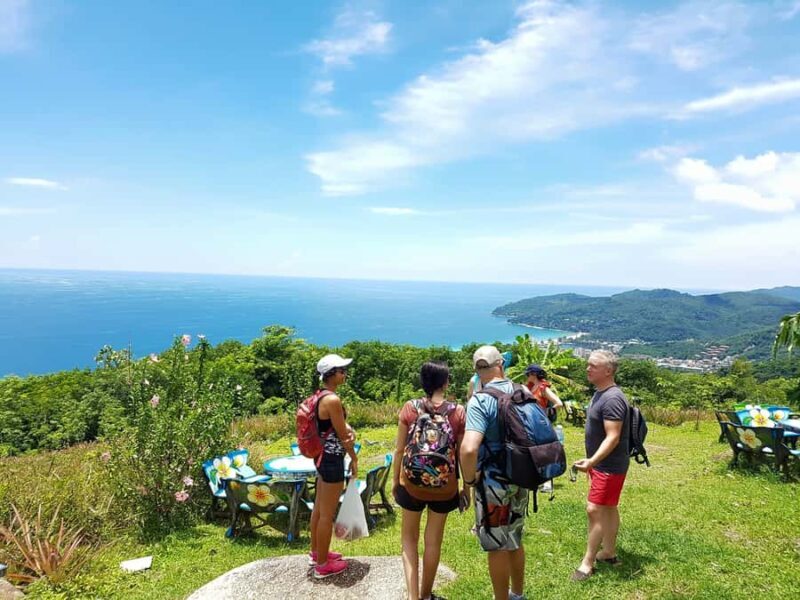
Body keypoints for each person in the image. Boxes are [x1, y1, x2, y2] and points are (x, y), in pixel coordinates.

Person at [392, 361, 469, 600]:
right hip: (445, 488)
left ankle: (413, 596)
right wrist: (466, 488)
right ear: (445, 383)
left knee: (408, 540)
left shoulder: (410, 408)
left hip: (411, 484)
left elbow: (399, 450)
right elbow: (461, 453)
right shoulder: (457, 412)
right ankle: (426, 595)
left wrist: (396, 481)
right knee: (433, 541)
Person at [460, 346, 529, 600]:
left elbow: (468, 449)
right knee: (515, 537)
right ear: (501, 364)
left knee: (496, 545)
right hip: (521, 476)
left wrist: (469, 479)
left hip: (492, 484)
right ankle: (517, 594)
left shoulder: (480, 399)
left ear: (477, 369)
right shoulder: (523, 390)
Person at [571, 350, 630, 581]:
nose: (588, 369)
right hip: (602, 464)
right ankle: (609, 552)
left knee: (594, 509)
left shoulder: (613, 398)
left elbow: (613, 436)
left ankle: (587, 563)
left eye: (593, 366)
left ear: (608, 370)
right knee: (608, 507)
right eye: (588, 365)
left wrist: (593, 461)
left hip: (609, 465)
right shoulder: (600, 393)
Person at [309, 353, 358, 579]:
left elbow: (338, 426)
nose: (344, 373)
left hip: (321, 458)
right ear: (331, 374)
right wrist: (354, 459)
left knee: (319, 510)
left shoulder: (321, 396)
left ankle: (317, 553)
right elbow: (344, 437)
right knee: (327, 515)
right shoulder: (333, 400)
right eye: (341, 370)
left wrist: (348, 431)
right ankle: (322, 565)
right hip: (332, 460)